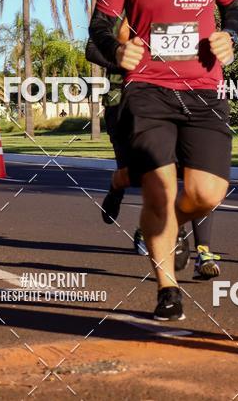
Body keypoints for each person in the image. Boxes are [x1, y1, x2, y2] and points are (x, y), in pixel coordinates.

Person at [88, 0, 238, 319]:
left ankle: (168, 225)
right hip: (148, 90)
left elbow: (233, 10)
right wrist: (118, 54)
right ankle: (167, 288)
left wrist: (228, 34)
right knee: (158, 189)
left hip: (204, 89)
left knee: (208, 192)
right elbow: (97, 28)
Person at [86, 21, 222, 279]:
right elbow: (92, 49)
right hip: (124, 104)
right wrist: (124, 50)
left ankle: (202, 250)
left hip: (176, 99)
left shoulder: (174, 10)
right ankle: (118, 187)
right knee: (138, 174)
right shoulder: (119, 12)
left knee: (193, 171)